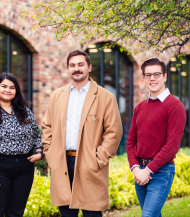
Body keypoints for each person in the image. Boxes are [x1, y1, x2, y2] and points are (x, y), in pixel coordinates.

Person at [41, 50, 123, 217]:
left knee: (92, 213)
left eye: (80, 65)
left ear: (89, 67)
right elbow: (47, 126)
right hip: (62, 163)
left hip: (89, 163)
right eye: (72, 65)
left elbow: (113, 132)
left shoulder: (105, 97)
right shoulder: (57, 96)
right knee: (66, 214)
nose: (76, 69)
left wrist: (98, 159)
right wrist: (51, 155)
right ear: (68, 68)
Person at [0, 72, 43, 217]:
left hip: (25, 168)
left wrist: (39, 152)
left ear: (16, 91)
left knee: (16, 213)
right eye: (4, 86)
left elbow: (37, 134)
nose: (8, 90)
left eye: (12, 87)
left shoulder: (25, 112)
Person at [126, 58, 186, 217]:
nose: (152, 78)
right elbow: (131, 141)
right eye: (148, 75)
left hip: (161, 172)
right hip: (140, 172)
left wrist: (149, 170)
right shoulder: (140, 107)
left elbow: (172, 146)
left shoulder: (175, 106)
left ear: (165, 76)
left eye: (156, 74)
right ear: (144, 78)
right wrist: (136, 168)